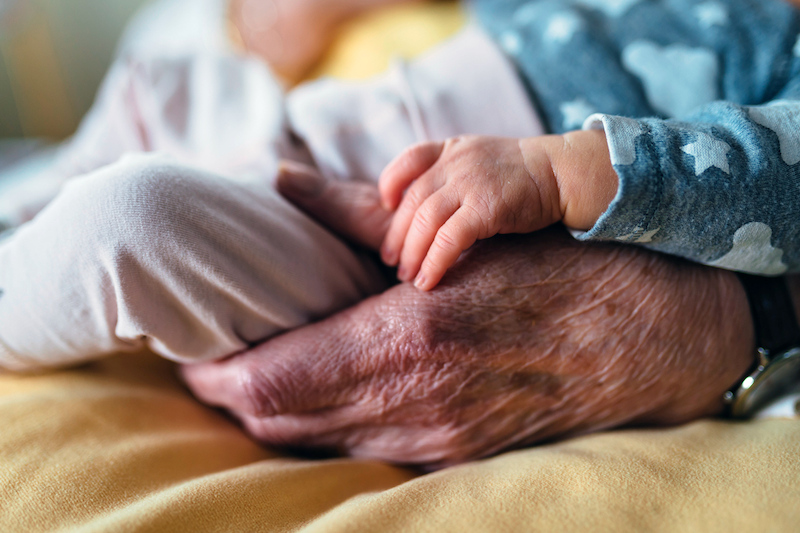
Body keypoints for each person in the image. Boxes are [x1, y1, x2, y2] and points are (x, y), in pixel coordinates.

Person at [0, 0, 798, 454]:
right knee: (156, 87)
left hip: (406, 228)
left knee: (132, 225)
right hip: (311, 116)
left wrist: (564, 171)